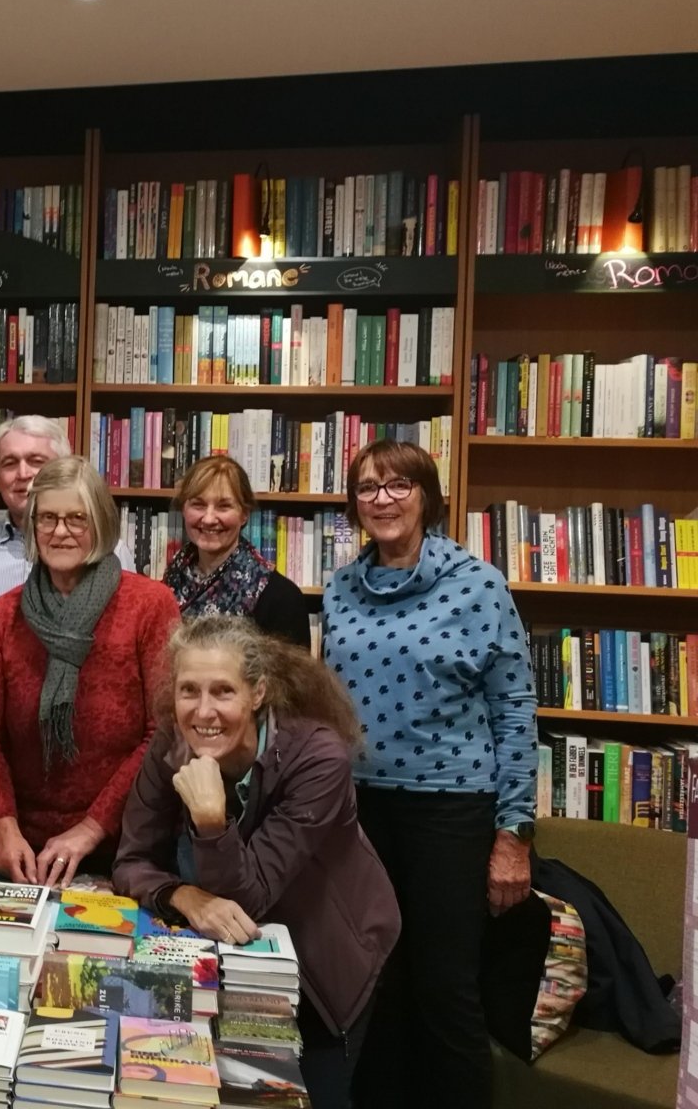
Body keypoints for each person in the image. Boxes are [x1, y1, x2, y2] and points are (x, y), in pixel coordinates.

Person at [324, 439, 536, 1109]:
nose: (381, 499)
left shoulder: (477, 585)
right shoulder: (340, 588)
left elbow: (515, 709)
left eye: (397, 485)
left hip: (451, 813)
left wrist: (514, 834)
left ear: (427, 496)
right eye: (367, 487)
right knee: (374, 980)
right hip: (359, 812)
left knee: (444, 989)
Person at [113, 614, 400, 1109]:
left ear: (258, 693)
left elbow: (252, 895)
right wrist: (185, 895)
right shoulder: (170, 744)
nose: (203, 711)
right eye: (189, 691)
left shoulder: (318, 757)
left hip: (323, 970)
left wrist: (209, 820)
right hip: (226, 964)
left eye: (223, 691)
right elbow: (131, 859)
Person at [0, 456, 178, 887]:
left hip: (126, 847)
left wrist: (90, 829)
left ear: (99, 523)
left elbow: (163, 732)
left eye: (76, 519)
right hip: (24, 852)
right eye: (47, 518)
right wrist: (4, 831)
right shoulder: (3, 616)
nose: (60, 532)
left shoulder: (150, 606)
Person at [0, 416, 135, 646]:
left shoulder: (109, 549)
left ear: (64, 470)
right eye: (9, 463)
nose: (23, 473)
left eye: (37, 461)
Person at [162, 456, 311, 649]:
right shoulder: (170, 581)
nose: (208, 519)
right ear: (183, 509)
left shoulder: (280, 598)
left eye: (224, 506)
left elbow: (292, 678)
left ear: (244, 514)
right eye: (198, 504)